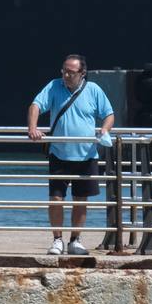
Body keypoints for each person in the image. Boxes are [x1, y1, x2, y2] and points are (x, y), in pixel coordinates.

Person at [27, 54, 114, 255]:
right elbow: (36, 105)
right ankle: (57, 240)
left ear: (82, 74)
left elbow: (109, 114)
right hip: (59, 152)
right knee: (56, 198)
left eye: (71, 72)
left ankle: (75, 240)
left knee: (80, 199)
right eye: (64, 70)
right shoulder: (54, 86)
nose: (66, 75)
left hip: (86, 155)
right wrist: (32, 127)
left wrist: (104, 129)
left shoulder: (93, 90)